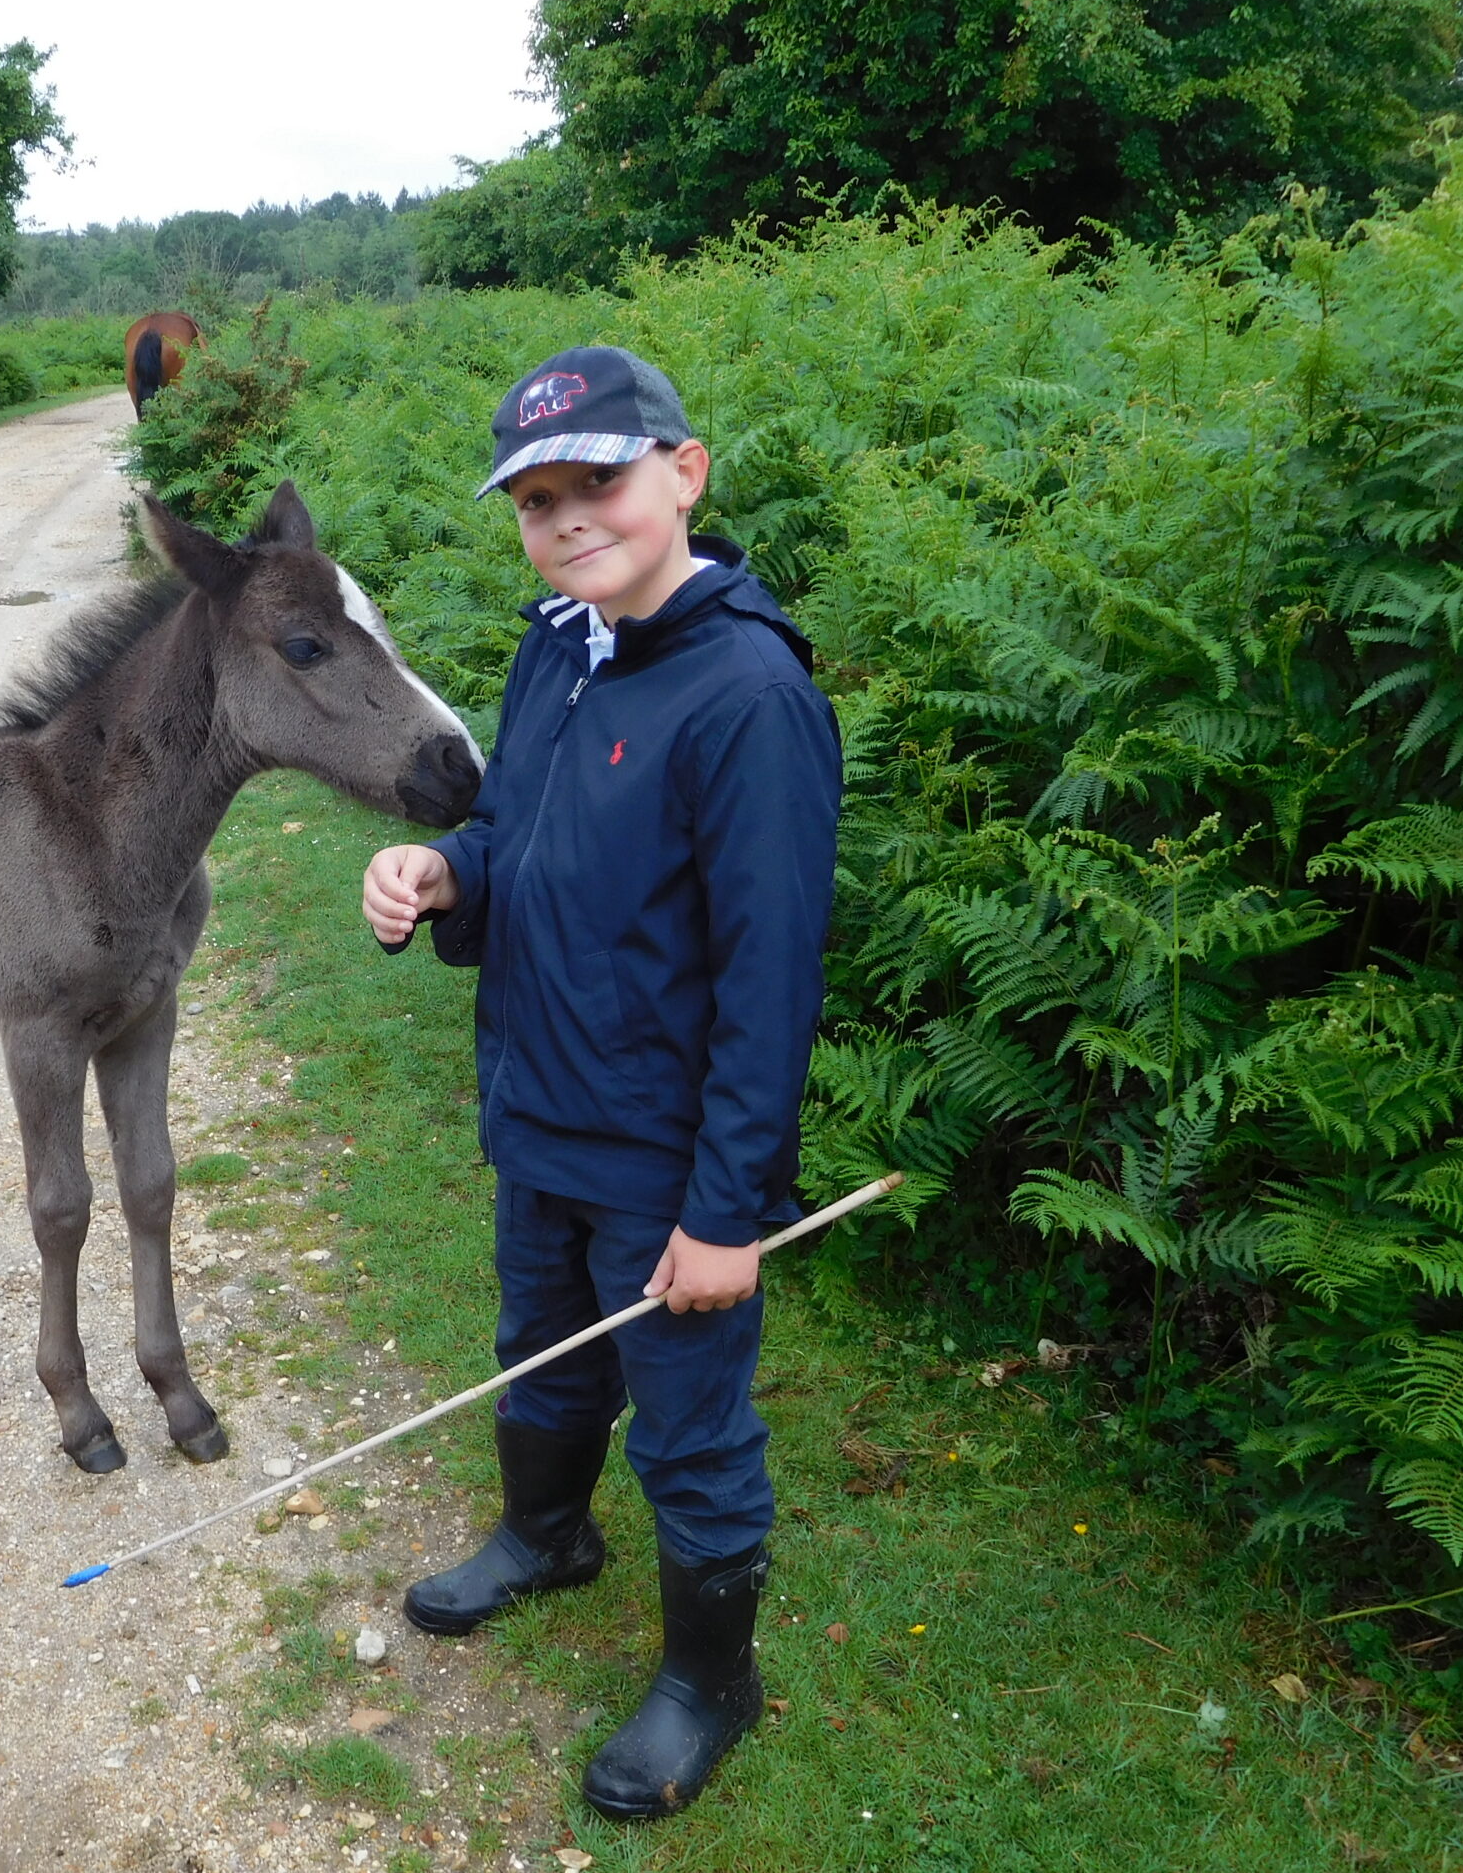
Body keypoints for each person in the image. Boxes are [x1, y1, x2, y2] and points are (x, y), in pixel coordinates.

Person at [360, 346, 841, 1821]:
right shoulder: (556, 647)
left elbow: (769, 989)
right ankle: (546, 1533)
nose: (571, 522)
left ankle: (712, 1679)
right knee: (540, 1343)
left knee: (690, 1421)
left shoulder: (749, 695)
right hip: (540, 1109)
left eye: (602, 486)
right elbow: (519, 831)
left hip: (667, 1162)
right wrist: (450, 869)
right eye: (539, 500)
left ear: (684, 474)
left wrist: (728, 1212)